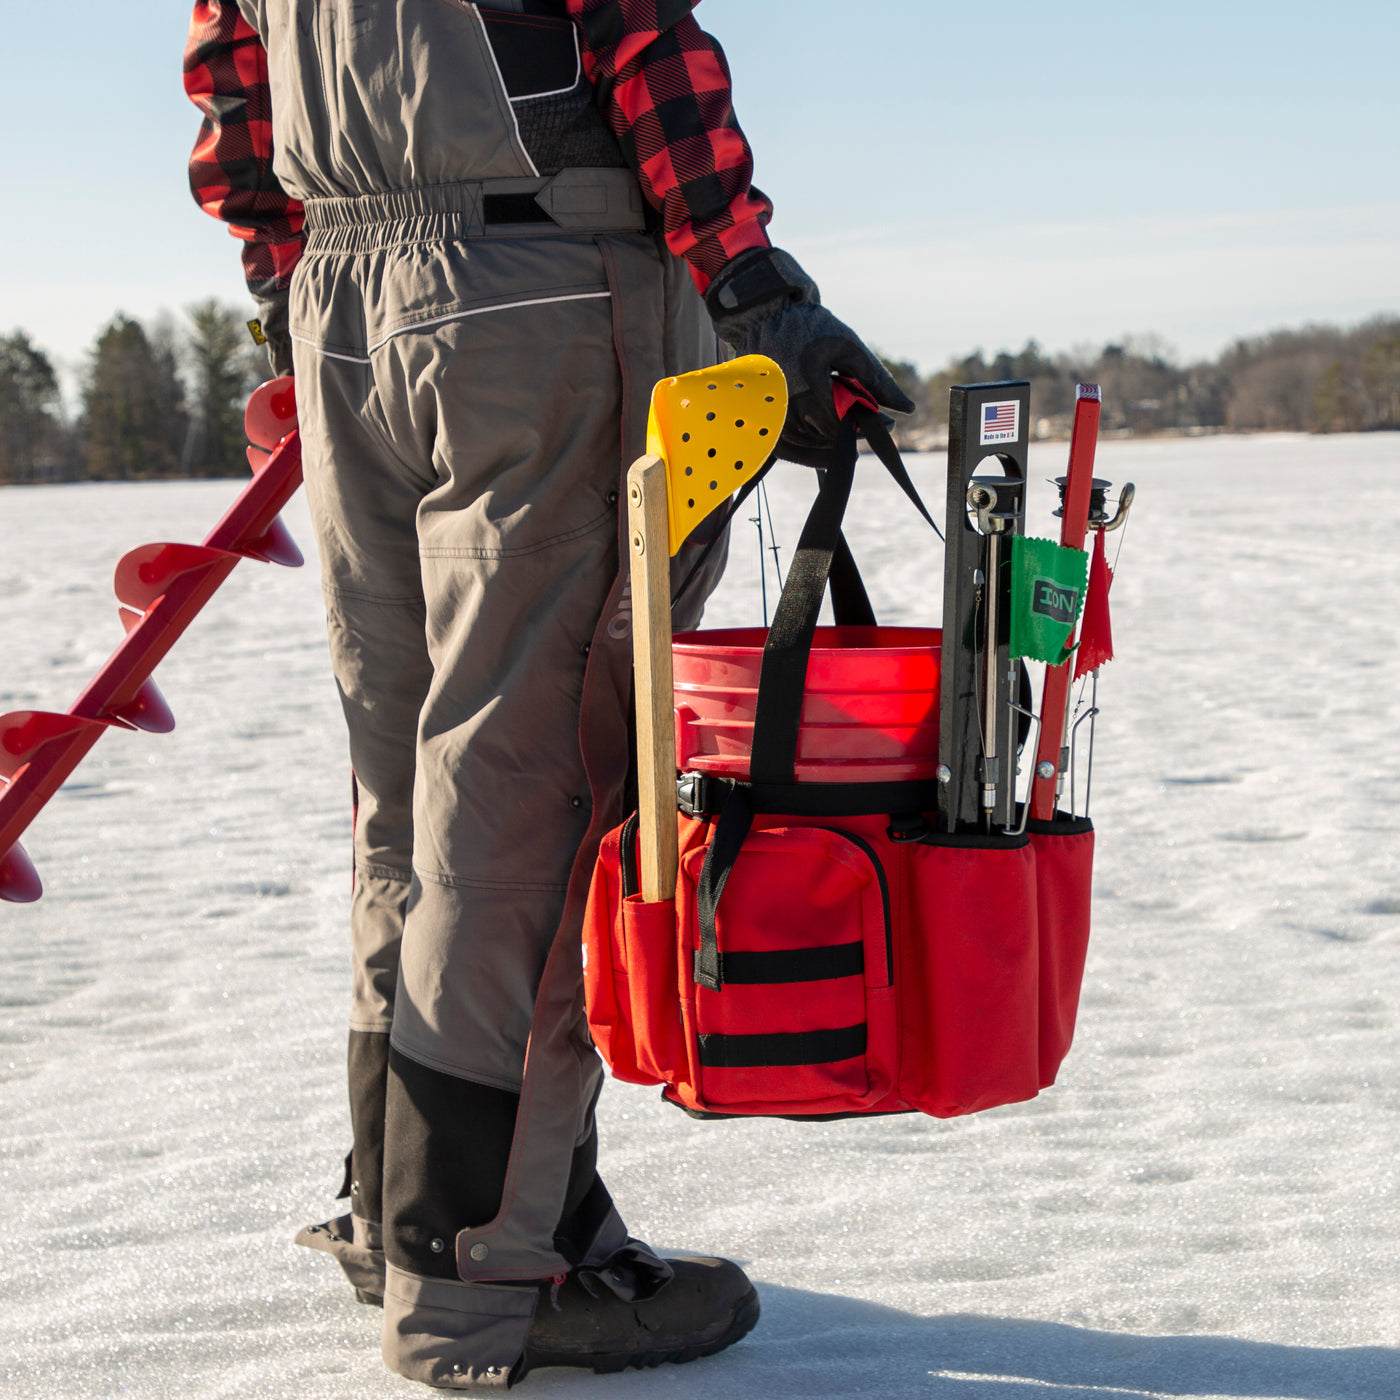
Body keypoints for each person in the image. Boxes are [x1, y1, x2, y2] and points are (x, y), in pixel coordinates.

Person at [184, 0, 911, 1387]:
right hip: (540, 282)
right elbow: (640, 34)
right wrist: (748, 280)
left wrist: (285, 274)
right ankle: (493, 1271)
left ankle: (400, 1211)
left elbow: (231, 72)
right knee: (534, 792)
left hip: (347, 306)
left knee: (411, 791)